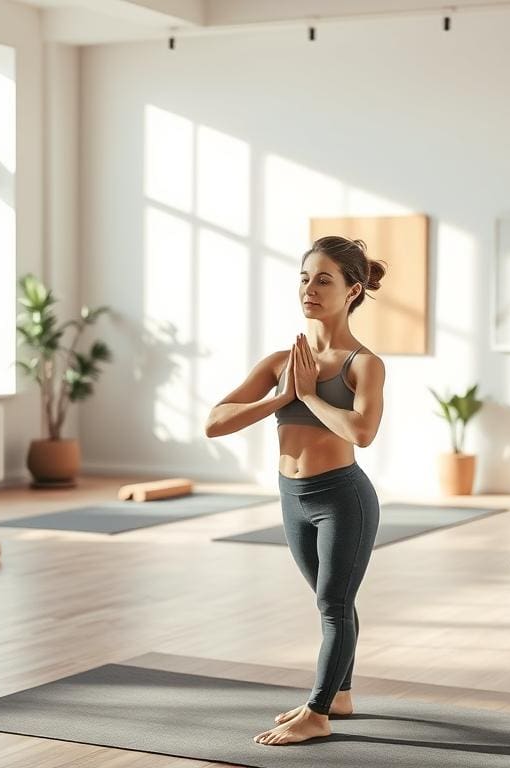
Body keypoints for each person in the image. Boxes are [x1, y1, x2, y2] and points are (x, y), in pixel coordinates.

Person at [205, 235, 387, 746]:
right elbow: (215, 423)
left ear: (352, 290)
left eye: (324, 279)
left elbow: (362, 432)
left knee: (333, 604)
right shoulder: (280, 360)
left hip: (342, 498)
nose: (309, 288)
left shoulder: (364, 364)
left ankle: (318, 710)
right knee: (332, 603)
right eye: (305, 278)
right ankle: (342, 693)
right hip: (292, 496)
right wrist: (283, 395)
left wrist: (309, 395)